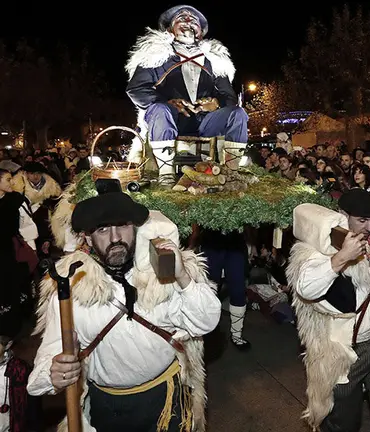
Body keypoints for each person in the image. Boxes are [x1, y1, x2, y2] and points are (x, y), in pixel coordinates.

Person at [27, 179, 221, 431]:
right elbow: (46, 362)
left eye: (123, 226)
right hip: (107, 407)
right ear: (87, 237)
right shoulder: (70, 285)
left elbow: (205, 322)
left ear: (137, 228)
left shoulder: (162, 273)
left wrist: (183, 276)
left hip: (166, 400)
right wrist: (53, 372)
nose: (116, 237)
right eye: (103, 229)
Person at [287, 190, 370, 432]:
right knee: (342, 423)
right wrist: (341, 258)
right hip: (346, 354)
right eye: (362, 220)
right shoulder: (318, 251)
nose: (369, 227)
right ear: (342, 215)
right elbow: (305, 288)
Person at [125, 5, 249, 178]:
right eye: (182, 18)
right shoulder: (156, 56)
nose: (189, 21)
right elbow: (136, 89)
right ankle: (166, 174)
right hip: (170, 121)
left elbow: (229, 96)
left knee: (238, 114)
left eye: (194, 21)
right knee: (159, 110)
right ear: (169, 28)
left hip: (206, 122)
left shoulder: (214, 60)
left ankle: (231, 172)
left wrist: (217, 103)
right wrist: (166, 103)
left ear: (201, 32)